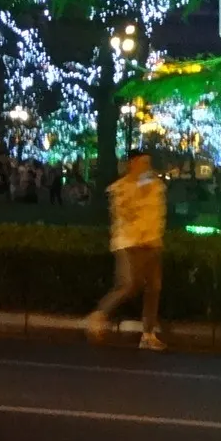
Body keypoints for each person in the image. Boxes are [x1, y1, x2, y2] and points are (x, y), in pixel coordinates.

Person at [85, 149, 167, 351]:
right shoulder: (121, 187)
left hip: (151, 243)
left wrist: (154, 238)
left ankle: (148, 335)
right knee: (127, 284)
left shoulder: (156, 186)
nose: (146, 167)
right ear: (132, 164)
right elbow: (123, 215)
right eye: (142, 163)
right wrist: (139, 193)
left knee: (153, 288)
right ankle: (99, 316)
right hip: (128, 243)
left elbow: (159, 215)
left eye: (148, 163)